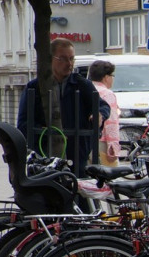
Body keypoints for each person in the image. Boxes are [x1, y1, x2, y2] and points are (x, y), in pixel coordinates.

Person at [16, 37, 100, 169]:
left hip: (77, 155)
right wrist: (46, 134)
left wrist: (100, 114)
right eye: (63, 58)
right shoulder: (35, 87)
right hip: (44, 157)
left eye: (72, 58)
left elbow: (100, 105)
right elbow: (23, 123)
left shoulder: (83, 85)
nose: (69, 63)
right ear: (51, 59)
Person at [88, 60, 121, 166]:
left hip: (85, 140)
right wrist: (113, 146)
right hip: (102, 142)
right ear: (106, 77)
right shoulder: (107, 94)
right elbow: (111, 122)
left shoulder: (86, 89)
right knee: (109, 177)